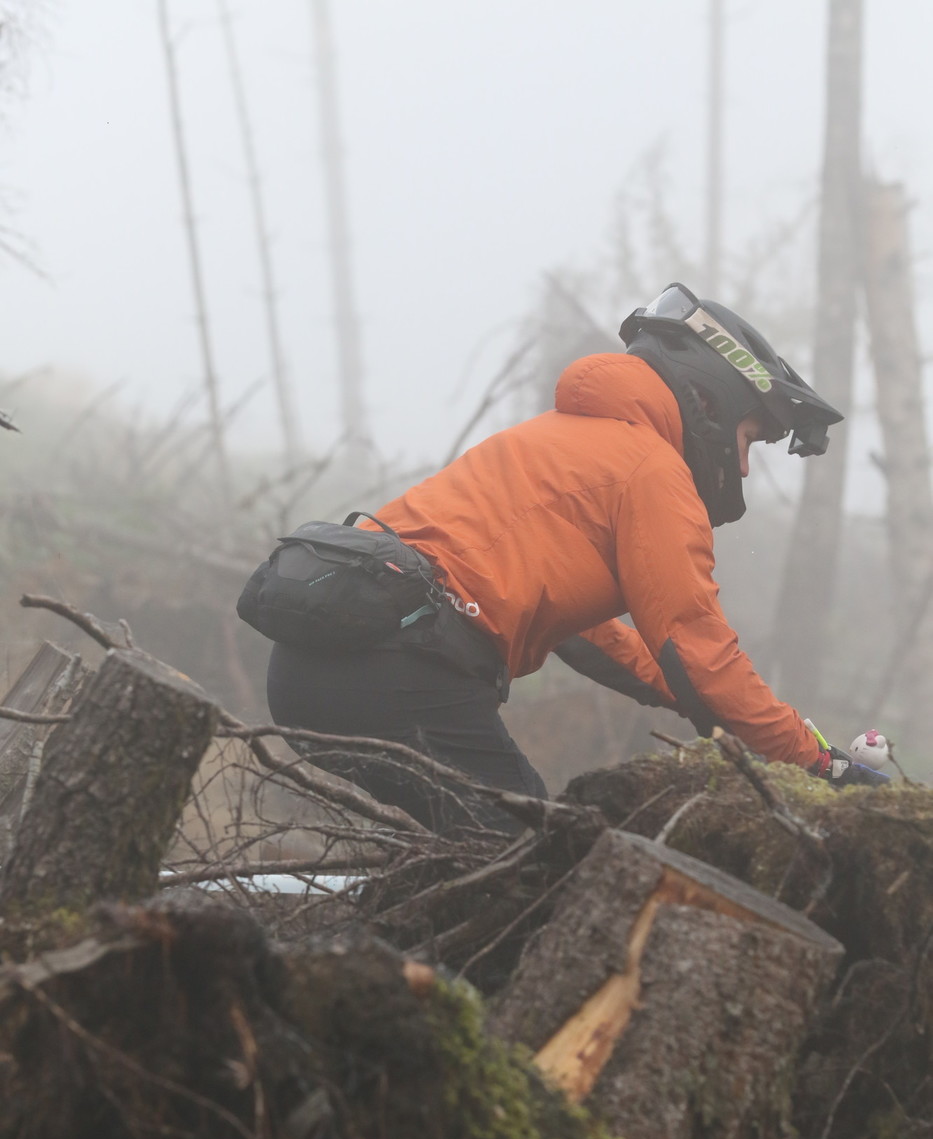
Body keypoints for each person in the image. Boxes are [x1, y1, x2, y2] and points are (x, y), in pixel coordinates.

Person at [265, 282, 853, 832]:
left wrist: (722, 710)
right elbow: (698, 649)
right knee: (534, 857)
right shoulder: (650, 469)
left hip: (306, 669)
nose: (742, 467)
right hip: (404, 668)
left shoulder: (557, 438)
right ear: (709, 400)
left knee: (477, 853)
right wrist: (819, 762)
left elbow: (594, 638)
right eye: (748, 441)